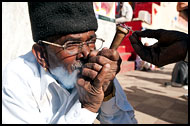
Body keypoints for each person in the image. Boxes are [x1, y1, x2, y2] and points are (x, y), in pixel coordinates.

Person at [2, 2, 137, 124]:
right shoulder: (15, 79)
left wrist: (107, 93)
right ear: (41, 55)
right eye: (71, 44)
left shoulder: (95, 70)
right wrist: (87, 108)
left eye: (91, 42)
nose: (87, 53)